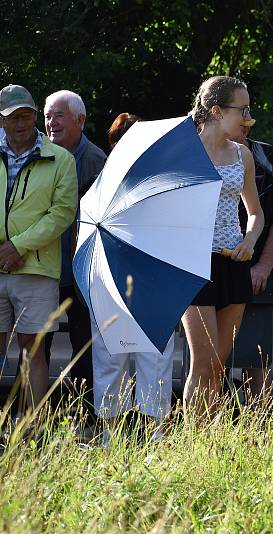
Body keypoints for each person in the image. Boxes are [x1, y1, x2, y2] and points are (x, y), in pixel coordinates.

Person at [90, 112, 174, 440]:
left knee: (153, 359)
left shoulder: (162, 183)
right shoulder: (101, 184)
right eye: (119, 141)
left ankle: (155, 439)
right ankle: (112, 440)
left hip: (152, 284)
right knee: (112, 360)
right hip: (112, 283)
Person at [183, 76, 264, 415]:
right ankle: (192, 443)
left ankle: (206, 444)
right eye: (241, 109)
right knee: (202, 362)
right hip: (193, 264)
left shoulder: (242, 154)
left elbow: (257, 214)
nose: (247, 117)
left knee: (218, 365)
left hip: (234, 263)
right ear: (216, 111)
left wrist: (250, 239)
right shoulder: (184, 151)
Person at [0, 85, 77, 418]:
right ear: (1, 121)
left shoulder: (61, 158)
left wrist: (17, 246)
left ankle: (34, 428)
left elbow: (61, 213)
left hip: (37, 269)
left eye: (27, 116)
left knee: (33, 351)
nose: (21, 123)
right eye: (12, 117)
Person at [43, 90, 107, 418]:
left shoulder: (96, 161)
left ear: (80, 120)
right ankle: (35, 414)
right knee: (38, 342)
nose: (51, 123)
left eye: (59, 116)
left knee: (85, 343)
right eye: (48, 116)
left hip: (82, 270)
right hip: (44, 267)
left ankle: (83, 414)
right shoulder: (38, 157)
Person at [229, 121, 273, 401]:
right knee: (211, 358)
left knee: (259, 359)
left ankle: (260, 430)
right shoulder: (201, 155)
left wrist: (263, 265)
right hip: (214, 272)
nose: (242, 129)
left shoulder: (266, 157)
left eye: (245, 124)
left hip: (256, 274)